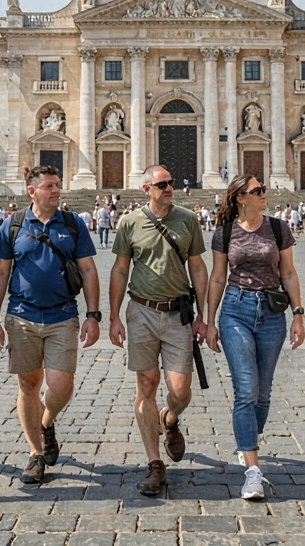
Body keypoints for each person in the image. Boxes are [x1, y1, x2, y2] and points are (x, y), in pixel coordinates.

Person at [0, 166, 100, 485]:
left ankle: (46, 422)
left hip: (63, 315)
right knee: (28, 385)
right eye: (49, 185)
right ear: (31, 190)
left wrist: (93, 314)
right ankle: (35, 452)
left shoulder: (73, 224)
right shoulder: (14, 224)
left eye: (58, 185)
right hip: (22, 315)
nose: (56, 190)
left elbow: (89, 270)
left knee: (61, 385)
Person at [108, 164, 208, 496]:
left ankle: (169, 417)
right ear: (146, 188)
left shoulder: (188, 219)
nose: (169, 188)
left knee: (181, 391)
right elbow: (120, 270)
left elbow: (197, 265)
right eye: (162, 184)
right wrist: (113, 316)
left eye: (171, 182)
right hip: (141, 311)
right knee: (146, 385)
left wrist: (204, 315)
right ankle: (154, 463)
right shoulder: (129, 222)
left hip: (178, 312)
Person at [204, 175, 304, 500]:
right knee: (245, 388)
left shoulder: (278, 228)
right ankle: (252, 470)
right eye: (257, 191)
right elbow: (218, 277)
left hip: (273, 311)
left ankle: (248, 436)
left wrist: (298, 314)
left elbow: (288, 272)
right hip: (235, 309)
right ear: (240, 199)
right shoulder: (225, 233)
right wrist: (209, 321)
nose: (265, 194)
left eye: (263, 189)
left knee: (262, 393)